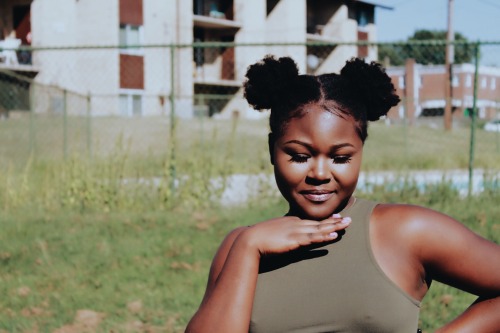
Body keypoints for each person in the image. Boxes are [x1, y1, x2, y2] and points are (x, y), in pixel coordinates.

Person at [185, 55, 500, 332]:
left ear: (361, 151)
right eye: (299, 156)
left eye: (340, 158)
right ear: (272, 150)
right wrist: (249, 247)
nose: (320, 174)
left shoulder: (406, 232)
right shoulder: (239, 248)